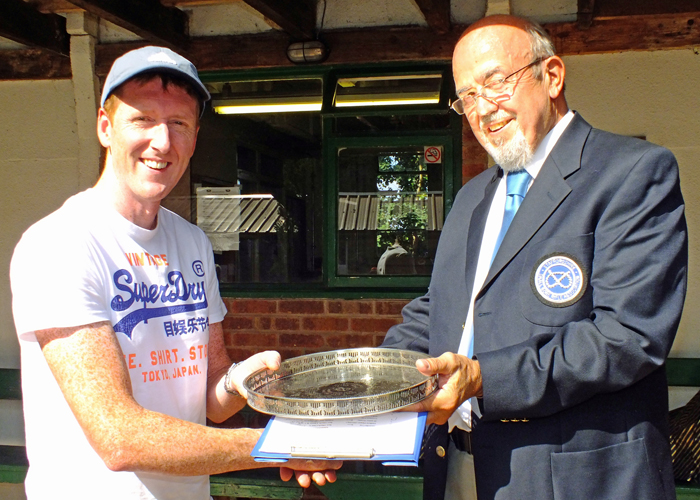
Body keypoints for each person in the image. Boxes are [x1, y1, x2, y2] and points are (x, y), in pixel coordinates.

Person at [9, 46, 338, 500]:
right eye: (142, 119)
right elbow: (119, 437)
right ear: (105, 128)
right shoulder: (60, 245)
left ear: (195, 137)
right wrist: (281, 447)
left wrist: (243, 379)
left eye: (179, 123)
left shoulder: (191, 242)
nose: (162, 142)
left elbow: (210, 400)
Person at [383, 15, 688, 500]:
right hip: (458, 468)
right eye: (467, 97)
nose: (483, 108)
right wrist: (373, 378)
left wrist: (484, 379)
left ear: (552, 75)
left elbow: (628, 337)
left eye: (496, 83)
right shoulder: (472, 197)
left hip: (575, 478)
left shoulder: (631, 173)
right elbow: (439, 311)